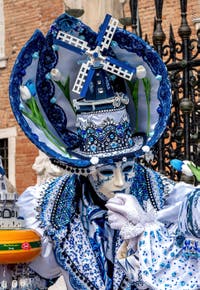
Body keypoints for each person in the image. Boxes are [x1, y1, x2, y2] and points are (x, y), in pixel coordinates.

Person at [8, 12, 200, 290]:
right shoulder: (51, 206)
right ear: (85, 170)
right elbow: (29, 276)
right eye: (107, 171)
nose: (121, 182)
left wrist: (147, 229)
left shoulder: (165, 197)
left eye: (129, 168)